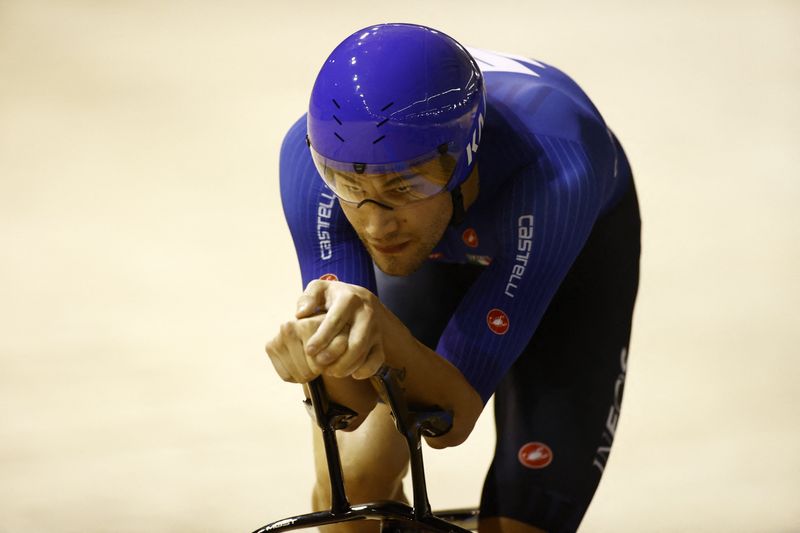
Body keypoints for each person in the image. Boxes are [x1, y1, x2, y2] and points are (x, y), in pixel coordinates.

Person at [267, 22, 640, 533]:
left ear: (465, 158)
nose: (376, 224)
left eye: (403, 185)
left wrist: (381, 336)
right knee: (352, 489)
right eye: (350, 186)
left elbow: (451, 419)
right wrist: (322, 357)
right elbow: (348, 408)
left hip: (562, 256)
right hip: (433, 252)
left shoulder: (558, 165)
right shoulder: (309, 161)